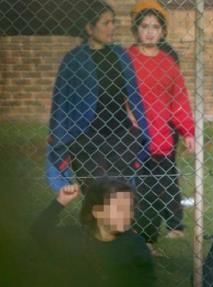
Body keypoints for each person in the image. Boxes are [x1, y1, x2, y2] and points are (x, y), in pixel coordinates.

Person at [46, 1, 149, 193]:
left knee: (121, 193)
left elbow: (134, 95)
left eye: (114, 22)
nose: (113, 27)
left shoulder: (120, 55)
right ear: (89, 28)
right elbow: (60, 104)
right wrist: (61, 138)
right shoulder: (73, 59)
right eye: (106, 23)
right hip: (87, 138)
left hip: (120, 136)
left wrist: (139, 127)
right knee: (94, 195)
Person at [31, 180, 155, 287]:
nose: (127, 214)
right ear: (97, 211)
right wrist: (60, 201)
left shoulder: (134, 243)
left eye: (130, 209)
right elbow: (39, 231)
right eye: (119, 208)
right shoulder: (75, 239)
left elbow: (146, 276)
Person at [128, 1, 195, 252]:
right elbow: (118, 93)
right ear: (136, 30)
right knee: (135, 190)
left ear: (162, 31)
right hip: (132, 136)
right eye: (144, 26)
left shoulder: (168, 62)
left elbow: (179, 99)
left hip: (161, 138)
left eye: (155, 27)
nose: (149, 32)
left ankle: (149, 239)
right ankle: (133, 237)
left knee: (156, 189)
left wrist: (187, 131)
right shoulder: (126, 59)